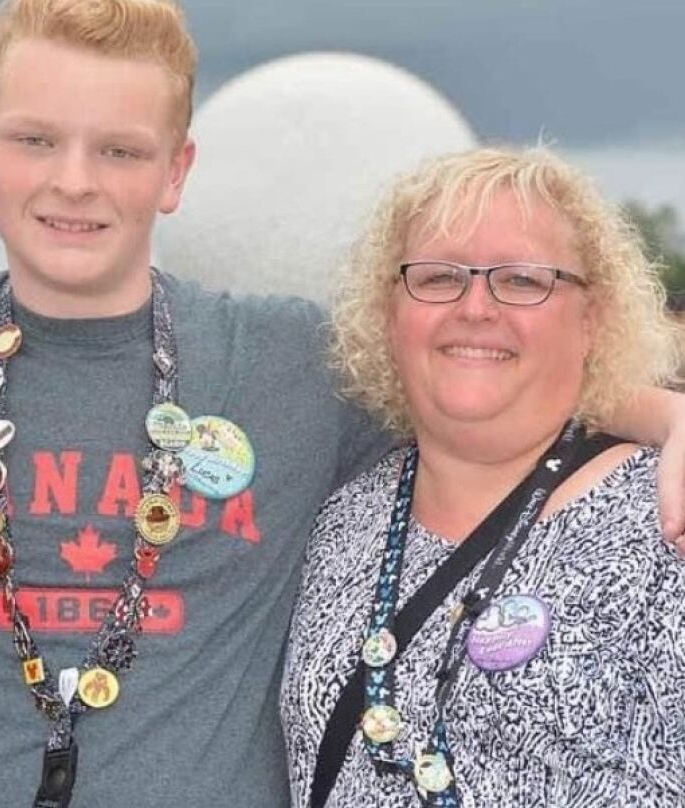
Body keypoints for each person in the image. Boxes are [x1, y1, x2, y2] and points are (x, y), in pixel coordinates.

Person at [0, 2, 682, 806]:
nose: (75, 180)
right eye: (35, 139)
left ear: (176, 171)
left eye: (121, 150)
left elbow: (488, 375)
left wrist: (670, 419)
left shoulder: (285, 363)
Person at [281, 147, 685, 807]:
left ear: (591, 319)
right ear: (389, 315)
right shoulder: (338, 518)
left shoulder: (665, 524)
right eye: (438, 277)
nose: (475, 306)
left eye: (523, 280)